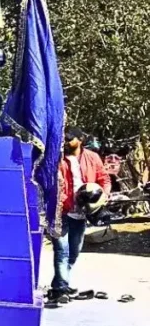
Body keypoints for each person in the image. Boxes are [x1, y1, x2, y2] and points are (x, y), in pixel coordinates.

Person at [50, 128, 111, 302]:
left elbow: (104, 179)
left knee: (74, 252)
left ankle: (59, 285)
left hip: (82, 213)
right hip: (61, 211)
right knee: (61, 251)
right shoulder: (57, 159)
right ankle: (62, 288)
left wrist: (103, 196)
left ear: (81, 139)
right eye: (65, 139)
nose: (66, 142)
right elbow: (51, 183)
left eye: (70, 139)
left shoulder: (92, 157)